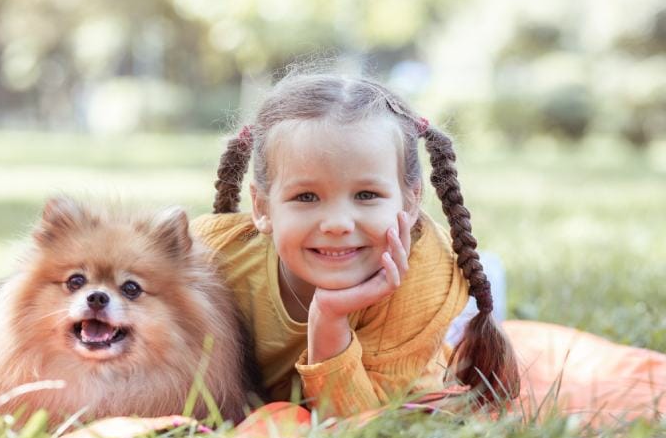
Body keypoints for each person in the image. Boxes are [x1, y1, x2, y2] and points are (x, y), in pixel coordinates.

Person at [190, 72, 520, 418]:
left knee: (454, 339)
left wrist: (329, 317)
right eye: (306, 196)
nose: (337, 224)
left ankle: (483, 283)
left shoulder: (424, 278)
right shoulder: (213, 255)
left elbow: (360, 422)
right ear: (262, 208)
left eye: (366, 195)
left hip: (409, 340)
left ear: (410, 202)